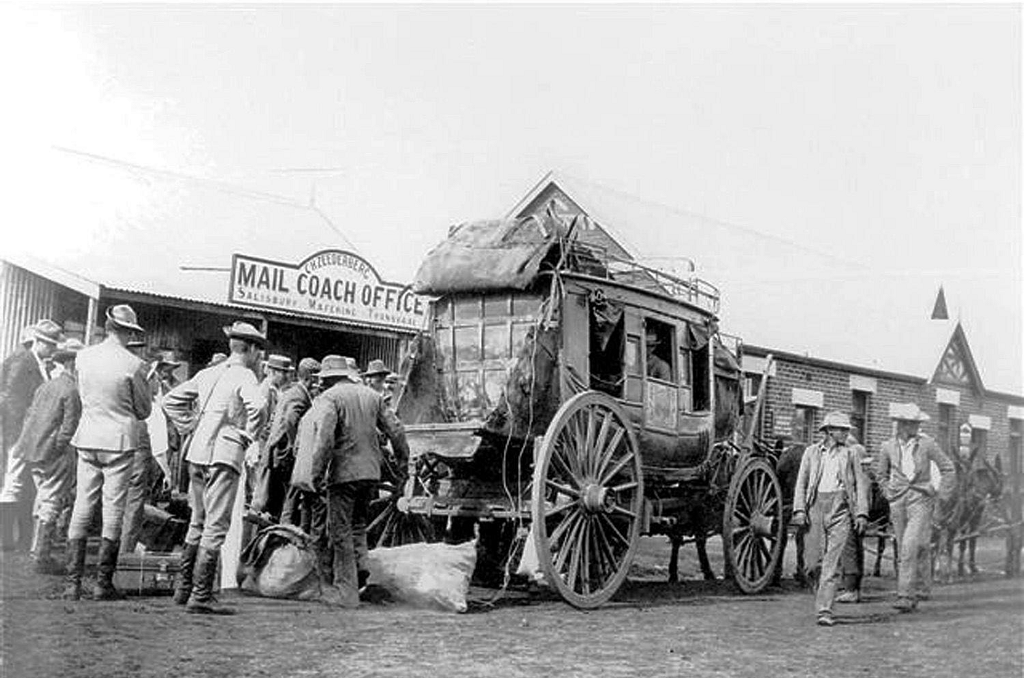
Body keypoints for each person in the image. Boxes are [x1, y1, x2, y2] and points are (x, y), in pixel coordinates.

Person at [163, 321, 268, 615]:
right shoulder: (245, 375)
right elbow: (258, 407)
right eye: (258, 350)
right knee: (216, 525)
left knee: (197, 520)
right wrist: (247, 435)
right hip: (225, 453)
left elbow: (171, 401)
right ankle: (201, 595)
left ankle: (183, 589)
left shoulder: (208, 373)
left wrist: (190, 427)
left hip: (197, 451)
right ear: (250, 349)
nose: (259, 356)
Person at [297, 355, 410, 608]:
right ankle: (362, 581)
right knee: (359, 526)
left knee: (340, 532)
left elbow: (324, 439)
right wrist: (403, 468)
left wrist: (315, 475)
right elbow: (397, 431)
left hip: (343, 474)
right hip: (370, 473)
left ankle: (346, 593)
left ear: (327, 380)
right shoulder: (372, 396)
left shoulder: (330, 398)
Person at [64, 305, 152, 600]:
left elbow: (82, 395)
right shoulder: (133, 364)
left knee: (82, 505)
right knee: (113, 508)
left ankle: (72, 583)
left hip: (87, 435)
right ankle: (103, 583)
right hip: (119, 440)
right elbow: (144, 409)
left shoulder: (83, 357)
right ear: (128, 332)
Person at [790, 411, 869, 627]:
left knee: (831, 564)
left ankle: (825, 609)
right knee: (811, 563)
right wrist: (799, 510)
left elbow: (860, 485)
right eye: (841, 430)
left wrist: (861, 513)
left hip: (841, 508)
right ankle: (821, 593)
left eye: (846, 430)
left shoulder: (851, 454)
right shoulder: (811, 453)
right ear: (829, 431)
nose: (845, 433)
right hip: (815, 506)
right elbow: (801, 483)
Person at [876, 403, 955, 612]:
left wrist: (940, 493)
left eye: (917, 423)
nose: (916, 426)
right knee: (912, 545)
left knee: (909, 546)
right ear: (901, 424)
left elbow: (948, 468)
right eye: (912, 423)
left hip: (921, 500)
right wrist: (888, 493)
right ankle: (922, 587)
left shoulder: (928, 444)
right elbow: (881, 475)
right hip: (898, 501)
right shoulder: (887, 446)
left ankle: (905, 595)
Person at [14, 339, 83, 573]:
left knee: (42, 497)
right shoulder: (71, 389)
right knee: (52, 500)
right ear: (73, 364)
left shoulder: (47, 386)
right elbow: (69, 427)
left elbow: (30, 416)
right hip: (54, 453)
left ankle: (37, 550)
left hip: (33, 451)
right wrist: (59, 447)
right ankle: (41, 556)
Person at [0, 319, 63, 550]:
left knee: (21, 484)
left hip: (27, 434)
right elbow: (11, 401)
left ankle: (19, 538)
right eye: (50, 345)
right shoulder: (22, 362)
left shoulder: (37, 364)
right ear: (38, 341)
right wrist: (21, 435)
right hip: (19, 434)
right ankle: (6, 540)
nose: (53, 350)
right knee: (13, 482)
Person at [256, 357, 319, 523]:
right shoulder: (299, 395)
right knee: (290, 496)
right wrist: (296, 446)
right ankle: (285, 530)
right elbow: (291, 420)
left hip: (279, 452)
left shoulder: (292, 392)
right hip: (285, 453)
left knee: (280, 498)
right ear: (310, 378)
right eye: (316, 378)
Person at [836, 433, 870, 603]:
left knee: (849, 550)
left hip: (851, 515)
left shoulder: (859, 475)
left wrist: (857, 514)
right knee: (854, 550)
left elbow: (858, 496)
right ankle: (852, 587)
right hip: (853, 514)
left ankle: (851, 590)